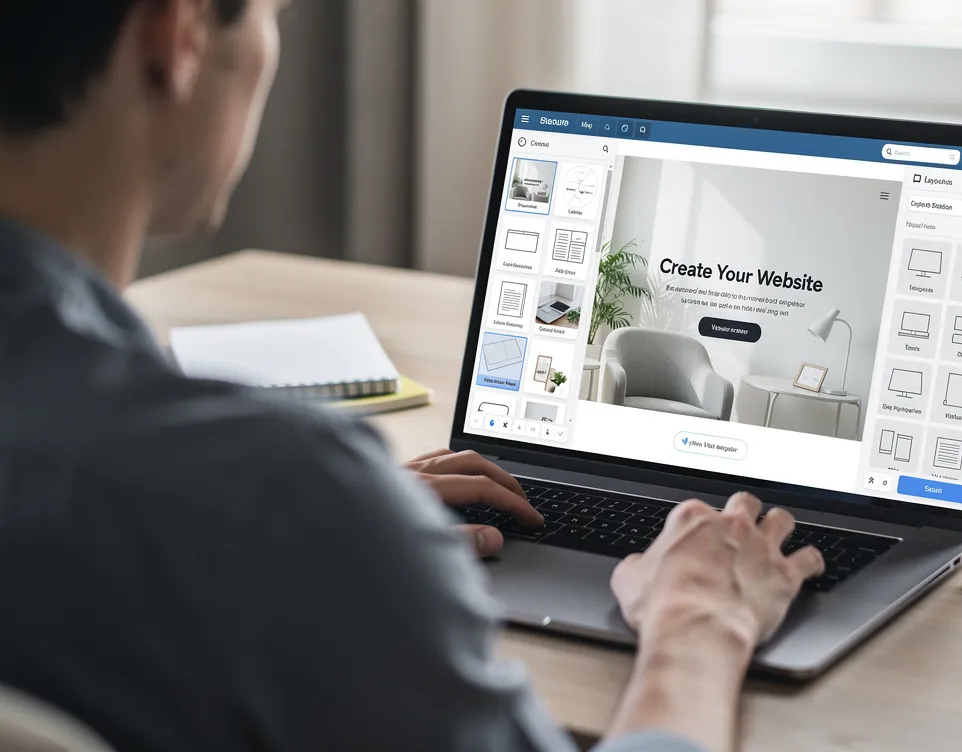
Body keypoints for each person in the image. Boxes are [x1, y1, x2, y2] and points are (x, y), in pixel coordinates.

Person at [0, 2, 825, 751]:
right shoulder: (274, 503)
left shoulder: (245, 500)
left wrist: (340, 525)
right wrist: (694, 622)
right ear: (175, 35)